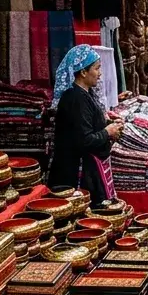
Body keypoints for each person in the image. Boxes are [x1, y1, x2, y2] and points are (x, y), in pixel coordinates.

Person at [50, 45, 123, 205]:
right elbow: (84, 140)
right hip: (74, 175)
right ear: (83, 72)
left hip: (83, 172)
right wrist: (107, 131)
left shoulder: (84, 94)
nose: (100, 74)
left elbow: (88, 125)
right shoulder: (76, 99)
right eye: (96, 69)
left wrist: (109, 125)